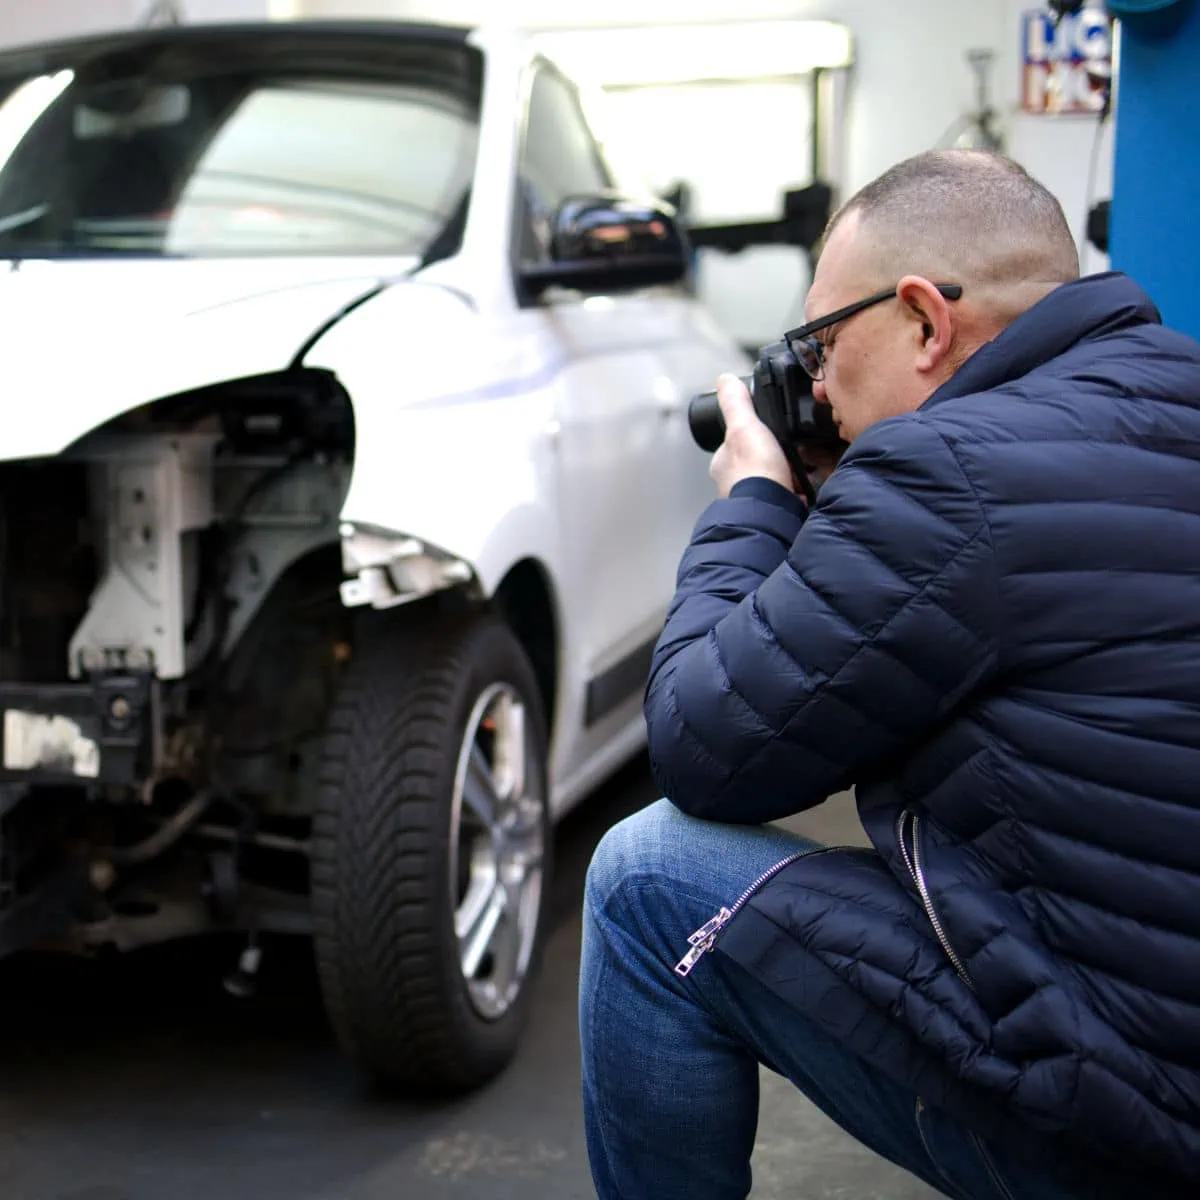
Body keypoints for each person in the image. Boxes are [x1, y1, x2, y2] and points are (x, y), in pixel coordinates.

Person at [578, 148, 1200, 1200]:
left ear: (922, 320)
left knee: (647, 878)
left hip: (1134, 1115)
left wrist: (754, 506)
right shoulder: (1170, 393)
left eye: (823, 345)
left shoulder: (943, 475)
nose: (815, 386)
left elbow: (706, 744)